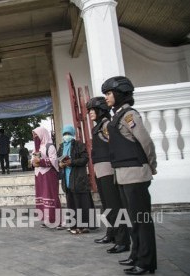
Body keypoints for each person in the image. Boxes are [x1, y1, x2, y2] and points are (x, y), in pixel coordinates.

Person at [102, 76, 157, 275]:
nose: (106, 97)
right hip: (123, 176)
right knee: (133, 221)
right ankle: (136, 254)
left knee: (141, 221)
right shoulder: (117, 117)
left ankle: (146, 261)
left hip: (135, 174)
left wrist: (152, 165)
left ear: (119, 93)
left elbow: (146, 143)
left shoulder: (129, 116)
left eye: (108, 93)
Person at [87, 97, 130, 253]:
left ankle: (122, 240)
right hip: (100, 169)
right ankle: (111, 233)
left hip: (108, 169)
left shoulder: (106, 125)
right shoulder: (99, 125)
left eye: (93, 110)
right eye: (89, 110)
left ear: (101, 110)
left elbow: (114, 144)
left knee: (114, 206)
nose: (90, 113)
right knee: (106, 206)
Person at [57, 125, 91, 234]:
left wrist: (72, 162)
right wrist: (61, 164)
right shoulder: (61, 146)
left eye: (68, 133)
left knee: (80, 202)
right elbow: (58, 161)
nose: (66, 136)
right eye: (64, 134)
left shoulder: (79, 144)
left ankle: (83, 226)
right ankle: (73, 226)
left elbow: (85, 159)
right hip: (66, 179)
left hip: (77, 177)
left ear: (72, 134)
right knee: (70, 202)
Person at [31, 126, 62, 228]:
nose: (35, 137)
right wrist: (33, 163)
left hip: (48, 175)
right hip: (39, 175)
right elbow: (33, 161)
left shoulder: (50, 146)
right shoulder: (36, 148)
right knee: (42, 197)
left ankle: (57, 221)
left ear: (42, 134)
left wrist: (41, 161)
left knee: (51, 196)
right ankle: (46, 219)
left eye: (36, 134)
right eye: (34, 135)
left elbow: (54, 160)